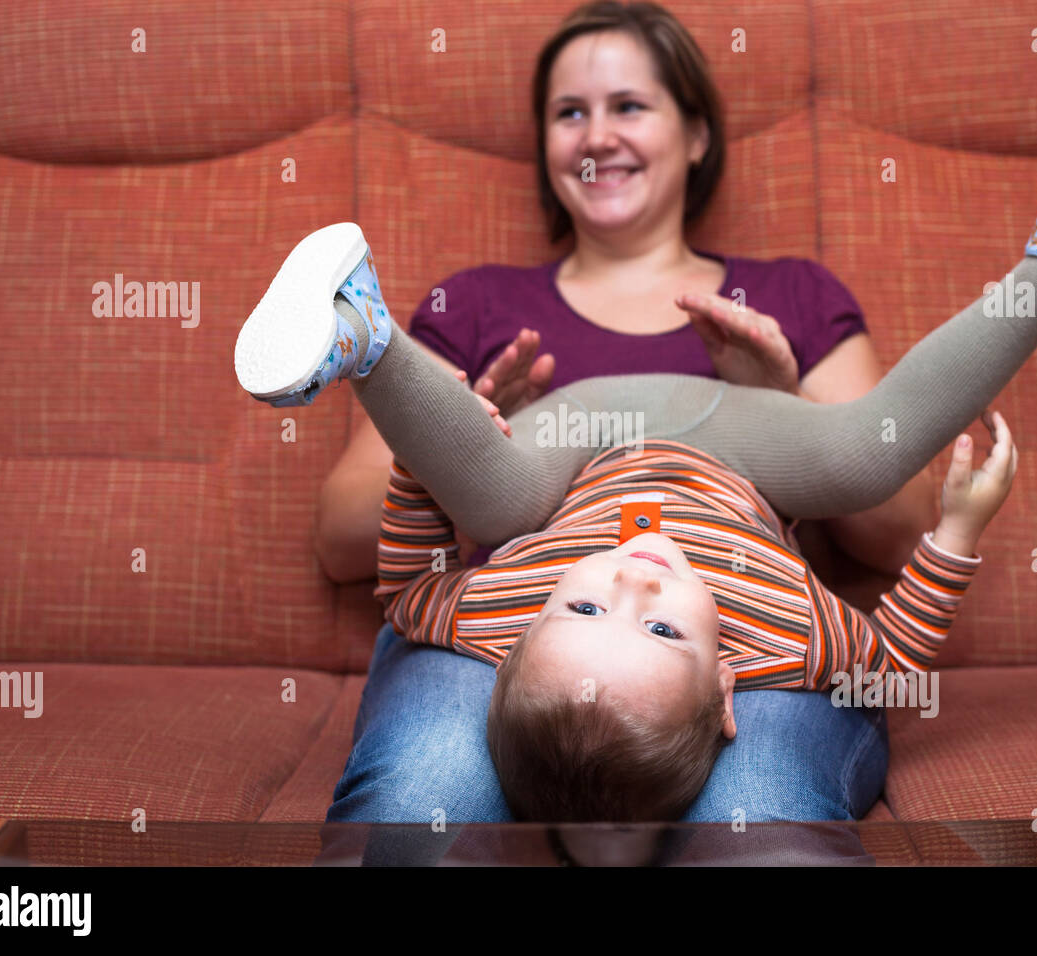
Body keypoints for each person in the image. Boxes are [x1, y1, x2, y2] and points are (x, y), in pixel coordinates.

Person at [236, 173, 1037, 822]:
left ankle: (363, 342)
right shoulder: (788, 632)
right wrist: (956, 531)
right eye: (662, 631)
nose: (631, 578)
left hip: (577, 441)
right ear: (725, 694)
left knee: (491, 508)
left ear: (511, 656)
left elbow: (411, 587)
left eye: (580, 606)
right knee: (857, 456)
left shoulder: (502, 615)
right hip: (735, 446)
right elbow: (892, 656)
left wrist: (428, 453)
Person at [310, 2, 937, 827]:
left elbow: (899, 531)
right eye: (571, 113)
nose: (596, 137)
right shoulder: (472, 305)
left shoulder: (792, 298)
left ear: (698, 134)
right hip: (504, 635)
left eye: (629, 106)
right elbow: (343, 540)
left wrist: (778, 404)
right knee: (423, 795)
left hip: (748, 644)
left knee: (759, 814)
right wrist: (465, 447)